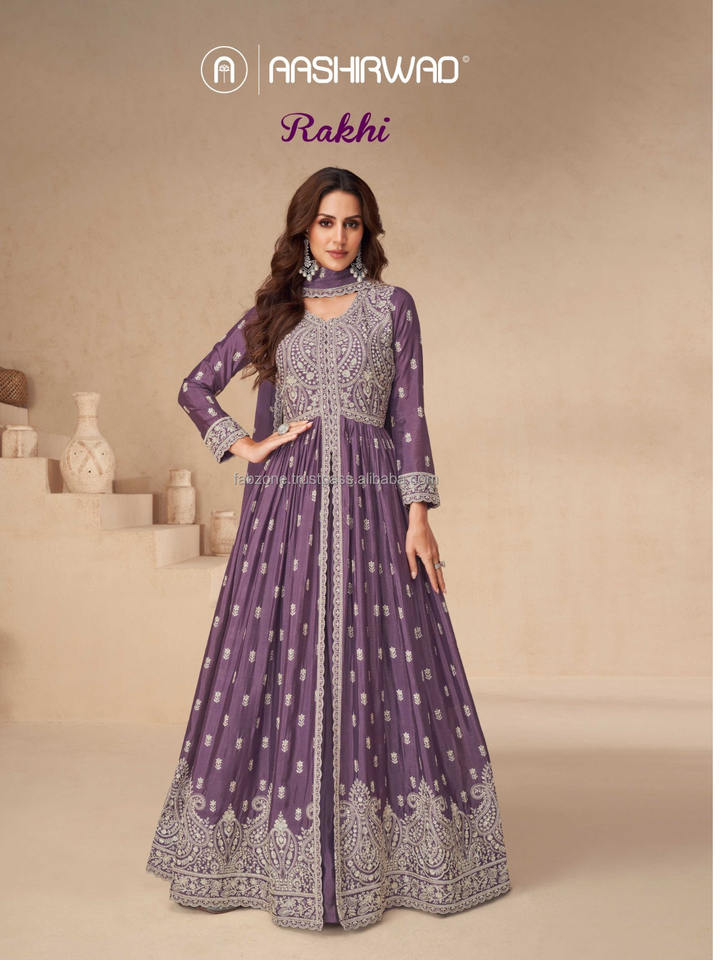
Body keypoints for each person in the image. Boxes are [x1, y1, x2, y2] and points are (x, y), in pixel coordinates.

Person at [146, 167, 511, 930]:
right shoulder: (275, 312)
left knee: (384, 658)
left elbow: (409, 415)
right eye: (325, 222)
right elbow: (195, 388)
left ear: (366, 231)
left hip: (375, 506)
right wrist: (246, 445)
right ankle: (271, 854)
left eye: (351, 223)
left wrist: (418, 515)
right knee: (278, 658)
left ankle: (387, 852)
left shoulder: (392, 307)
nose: (339, 236)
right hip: (288, 507)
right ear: (303, 230)